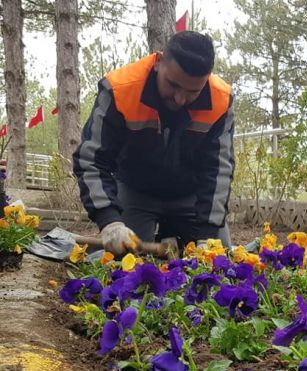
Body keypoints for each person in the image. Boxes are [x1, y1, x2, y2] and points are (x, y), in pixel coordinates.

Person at [73, 31, 235, 255]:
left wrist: (208, 234)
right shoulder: (120, 90)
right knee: (123, 262)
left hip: (191, 196)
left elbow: (218, 171)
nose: (180, 99)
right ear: (159, 62)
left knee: (219, 261)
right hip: (135, 191)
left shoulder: (221, 100)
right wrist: (109, 220)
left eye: (192, 92)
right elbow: (91, 160)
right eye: (173, 85)